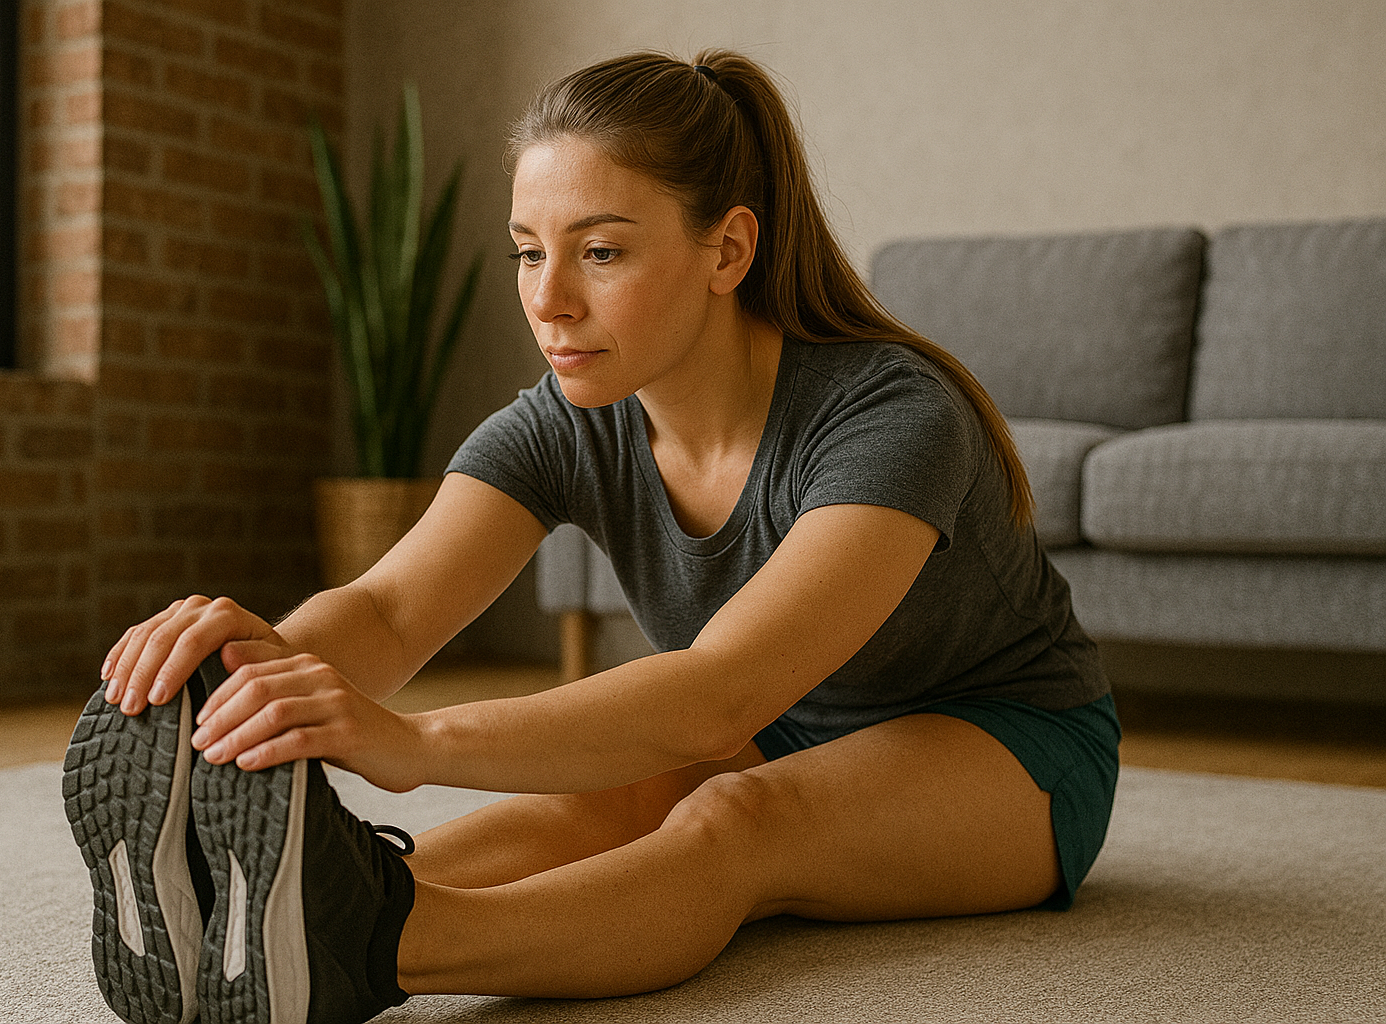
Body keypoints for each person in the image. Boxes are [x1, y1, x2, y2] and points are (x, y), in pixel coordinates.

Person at [64, 49, 1120, 1024]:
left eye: (601, 250)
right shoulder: (567, 417)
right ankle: (306, 901)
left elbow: (719, 695)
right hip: (791, 720)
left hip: (1008, 742)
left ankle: (382, 943)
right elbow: (390, 608)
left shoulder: (892, 417)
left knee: (738, 819)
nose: (550, 300)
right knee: (588, 805)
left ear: (729, 248)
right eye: (529, 252)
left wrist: (413, 742)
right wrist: (257, 668)